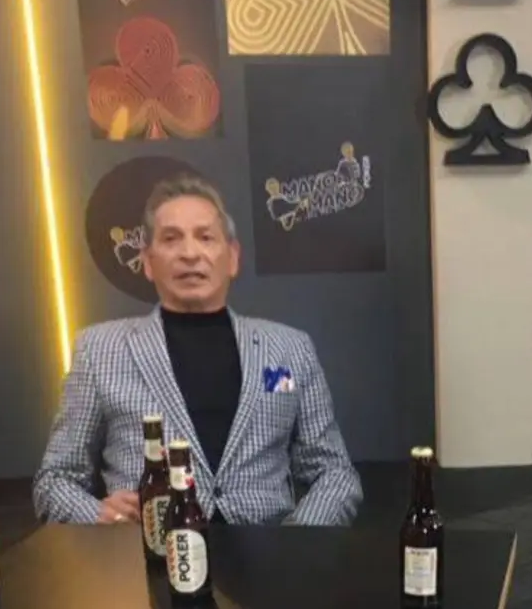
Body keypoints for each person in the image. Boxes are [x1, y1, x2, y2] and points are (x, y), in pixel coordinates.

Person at [33, 174, 363, 526]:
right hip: (149, 550)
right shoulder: (99, 351)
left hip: (268, 551)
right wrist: (101, 515)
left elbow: (334, 472)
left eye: (205, 237)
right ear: (147, 261)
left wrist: (296, 538)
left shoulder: (289, 350)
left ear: (232, 257)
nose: (190, 254)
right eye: (171, 239)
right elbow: (54, 480)